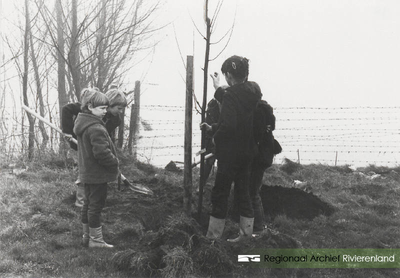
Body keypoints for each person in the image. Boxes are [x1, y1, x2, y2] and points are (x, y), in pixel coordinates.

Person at [201, 55, 262, 242]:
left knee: (220, 193)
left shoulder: (231, 97)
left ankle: (213, 238)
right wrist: (218, 89)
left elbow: (228, 124)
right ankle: (246, 235)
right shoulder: (253, 93)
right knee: (244, 193)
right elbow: (236, 103)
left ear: (228, 74)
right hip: (247, 152)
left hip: (230, 154)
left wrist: (216, 139)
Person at [61, 86, 127, 207]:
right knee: (84, 172)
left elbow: (106, 135)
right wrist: (68, 132)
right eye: (119, 108)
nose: (121, 112)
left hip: (97, 146)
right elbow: (66, 109)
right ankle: (81, 203)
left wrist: (109, 153)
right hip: (81, 145)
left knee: (97, 172)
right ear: (110, 104)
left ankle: (92, 200)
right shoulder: (89, 107)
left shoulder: (116, 120)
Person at [73, 90, 119, 248]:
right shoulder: (96, 128)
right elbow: (101, 153)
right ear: (90, 107)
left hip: (87, 172)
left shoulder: (83, 123)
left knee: (87, 204)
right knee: (96, 206)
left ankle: (87, 236)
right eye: (102, 108)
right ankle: (96, 241)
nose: (105, 111)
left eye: (106, 108)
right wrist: (114, 163)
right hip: (97, 174)